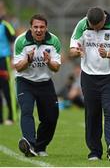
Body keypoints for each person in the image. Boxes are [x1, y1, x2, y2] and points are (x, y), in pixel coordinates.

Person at [69, 7, 110, 161]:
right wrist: (77, 52)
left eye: (98, 27)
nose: (95, 30)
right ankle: (95, 152)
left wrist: (108, 54)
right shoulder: (82, 25)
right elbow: (72, 50)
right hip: (89, 76)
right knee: (92, 114)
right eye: (92, 27)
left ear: (104, 18)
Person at [13, 14, 61, 157]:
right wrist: (28, 59)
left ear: (46, 28)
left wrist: (49, 61)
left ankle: (40, 147)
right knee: (27, 111)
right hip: (25, 82)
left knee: (51, 118)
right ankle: (29, 144)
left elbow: (56, 68)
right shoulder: (21, 41)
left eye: (42, 27)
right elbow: (18, 67)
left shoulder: (54, 41)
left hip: (45, 83)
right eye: (36, 27)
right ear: (31, 28)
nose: (39, 30)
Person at [0, 0, 16, 125]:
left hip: (4, 60)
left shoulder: (6, 25)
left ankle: (12, 117)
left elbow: (13, 42)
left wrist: (12, 59)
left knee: (7, 89)